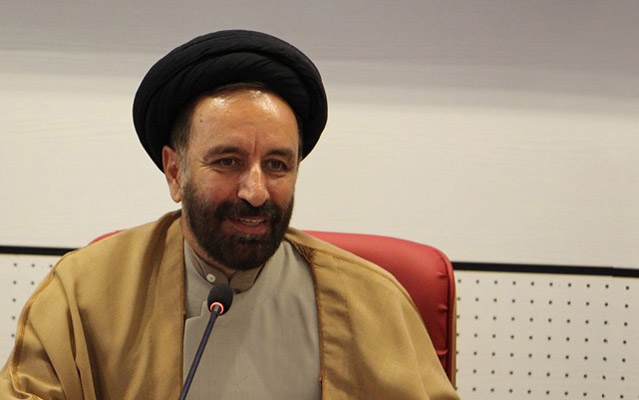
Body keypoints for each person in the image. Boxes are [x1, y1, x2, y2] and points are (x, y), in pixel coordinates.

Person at [0, 30, 459, 399]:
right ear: (175, 172)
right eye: (228, 161)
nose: (256, 192)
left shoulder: (373, 303)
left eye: (277, 165)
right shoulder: (82, 294)